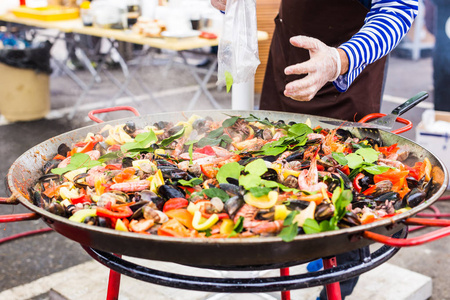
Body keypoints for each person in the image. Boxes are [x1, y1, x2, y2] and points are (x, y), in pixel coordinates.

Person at [211, 0, 419, 299]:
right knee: (270, 167)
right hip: (289, 60)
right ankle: (291, 249)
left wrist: (338, 60)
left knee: (344, 193)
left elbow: (398, 12)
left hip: (347, 72)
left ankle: (336, 286)